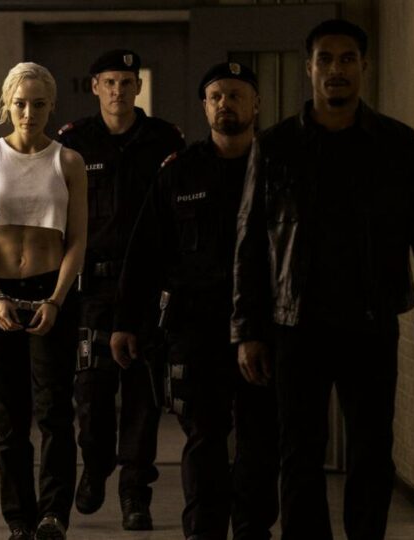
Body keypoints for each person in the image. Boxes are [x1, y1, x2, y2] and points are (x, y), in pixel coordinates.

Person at [231, 19, 414, 540]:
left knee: (372, 451)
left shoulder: (396, 143)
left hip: (369, 321)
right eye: (326, 59)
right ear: (309, 68)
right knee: (299, 453)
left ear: (363, 67)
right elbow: (249, 243)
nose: (337, 69)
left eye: (347, 58)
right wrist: (247, 329)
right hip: (295, 323)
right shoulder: (276, 145)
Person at [112, 63, 279, 540]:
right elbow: (145, 252)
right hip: (196, 328)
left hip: (264, 328)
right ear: (205, 107)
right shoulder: (180, 172)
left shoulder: (277, 169)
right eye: (216, 96)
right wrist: (126, 321)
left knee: (259, 439)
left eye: (236, 94)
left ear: (255, 104)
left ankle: (252, 531)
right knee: (204, 437)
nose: (226, 103)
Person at [55, 48, 184, 531]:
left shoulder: (164, 139)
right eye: (109, 82)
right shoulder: (74, 142)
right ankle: (95, 465)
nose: (118, 91)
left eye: (126, 82)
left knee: (142, 397)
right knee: (91, 390)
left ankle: (135, 492)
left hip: (147, 289)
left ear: (138, 87)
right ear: (95, 87)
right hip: (93, 288)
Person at [0, 62, 87, 540]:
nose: (28, 113)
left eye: (38, 104)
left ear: (51, 106)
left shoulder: (68, 161)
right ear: (5, 105)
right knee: (9, 415)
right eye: (19, 104)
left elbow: (78, 239)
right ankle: (18, 518)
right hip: (0, 294)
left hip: (51, 292)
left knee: (54, 410)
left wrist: (56, 299)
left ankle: (53, 514)